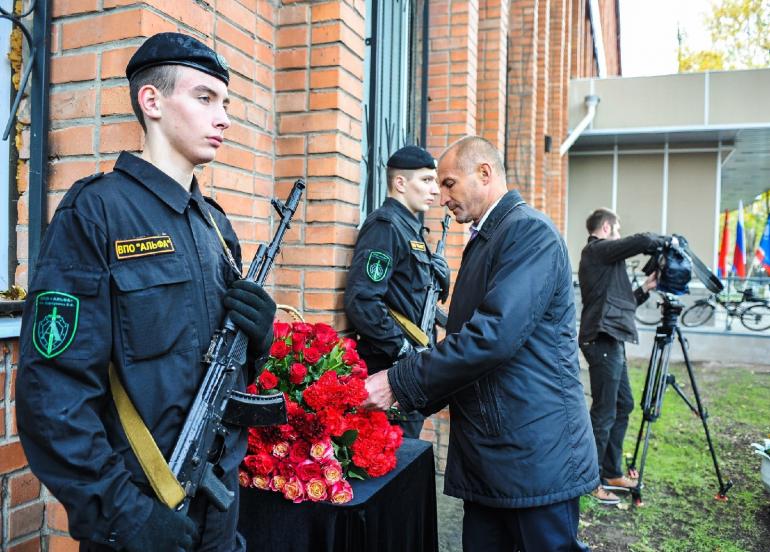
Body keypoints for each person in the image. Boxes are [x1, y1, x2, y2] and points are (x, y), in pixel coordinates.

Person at [16, 33, 276, 551]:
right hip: (142, 517)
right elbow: (52, 393)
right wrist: (124, 515)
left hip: (218, 509)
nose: (223, 117)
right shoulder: (96, 213)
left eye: (225, 103)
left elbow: (222, 371)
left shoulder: (215, 228)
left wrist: (258, 338)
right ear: (151, 101)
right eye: (205, 98)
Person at [362, 136, 598, 551]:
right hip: (497, 452)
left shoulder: (527, 233)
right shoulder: (491, 235)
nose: (442, 198)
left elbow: (490, 338)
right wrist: (409, 392)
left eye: (449, 183)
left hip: (531, 453)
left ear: (484, 174)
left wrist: (398, 383)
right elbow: (468, 344)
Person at [344, 145, 450, 438]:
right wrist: (402, 349)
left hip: (410, 369)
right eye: (426, 181)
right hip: (389, 370)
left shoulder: (412, 230)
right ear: (400, 183)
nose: (434, 190)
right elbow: (362, 300)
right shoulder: (386, 226)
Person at [577, 208, 666, 505]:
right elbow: (640, 240)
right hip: (602, 340)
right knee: (604, 412)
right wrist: (666, 242)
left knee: (623, 404)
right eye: (616, 230)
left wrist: (646, 288)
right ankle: (590, 480)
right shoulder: (596, 250)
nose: (618, 235)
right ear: (605, 227)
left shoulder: (604, 261)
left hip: (612, 339)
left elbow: (622, 301)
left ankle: (612, 471)